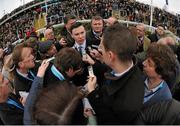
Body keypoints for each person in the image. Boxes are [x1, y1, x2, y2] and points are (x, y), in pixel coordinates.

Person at [86, 23, 144, 124]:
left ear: (110, 55)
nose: (99, 49)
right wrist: (102, 59)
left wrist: (92, 93)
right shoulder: (129, 64)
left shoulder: (127, 105)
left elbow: (108, 119)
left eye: (101, 47)